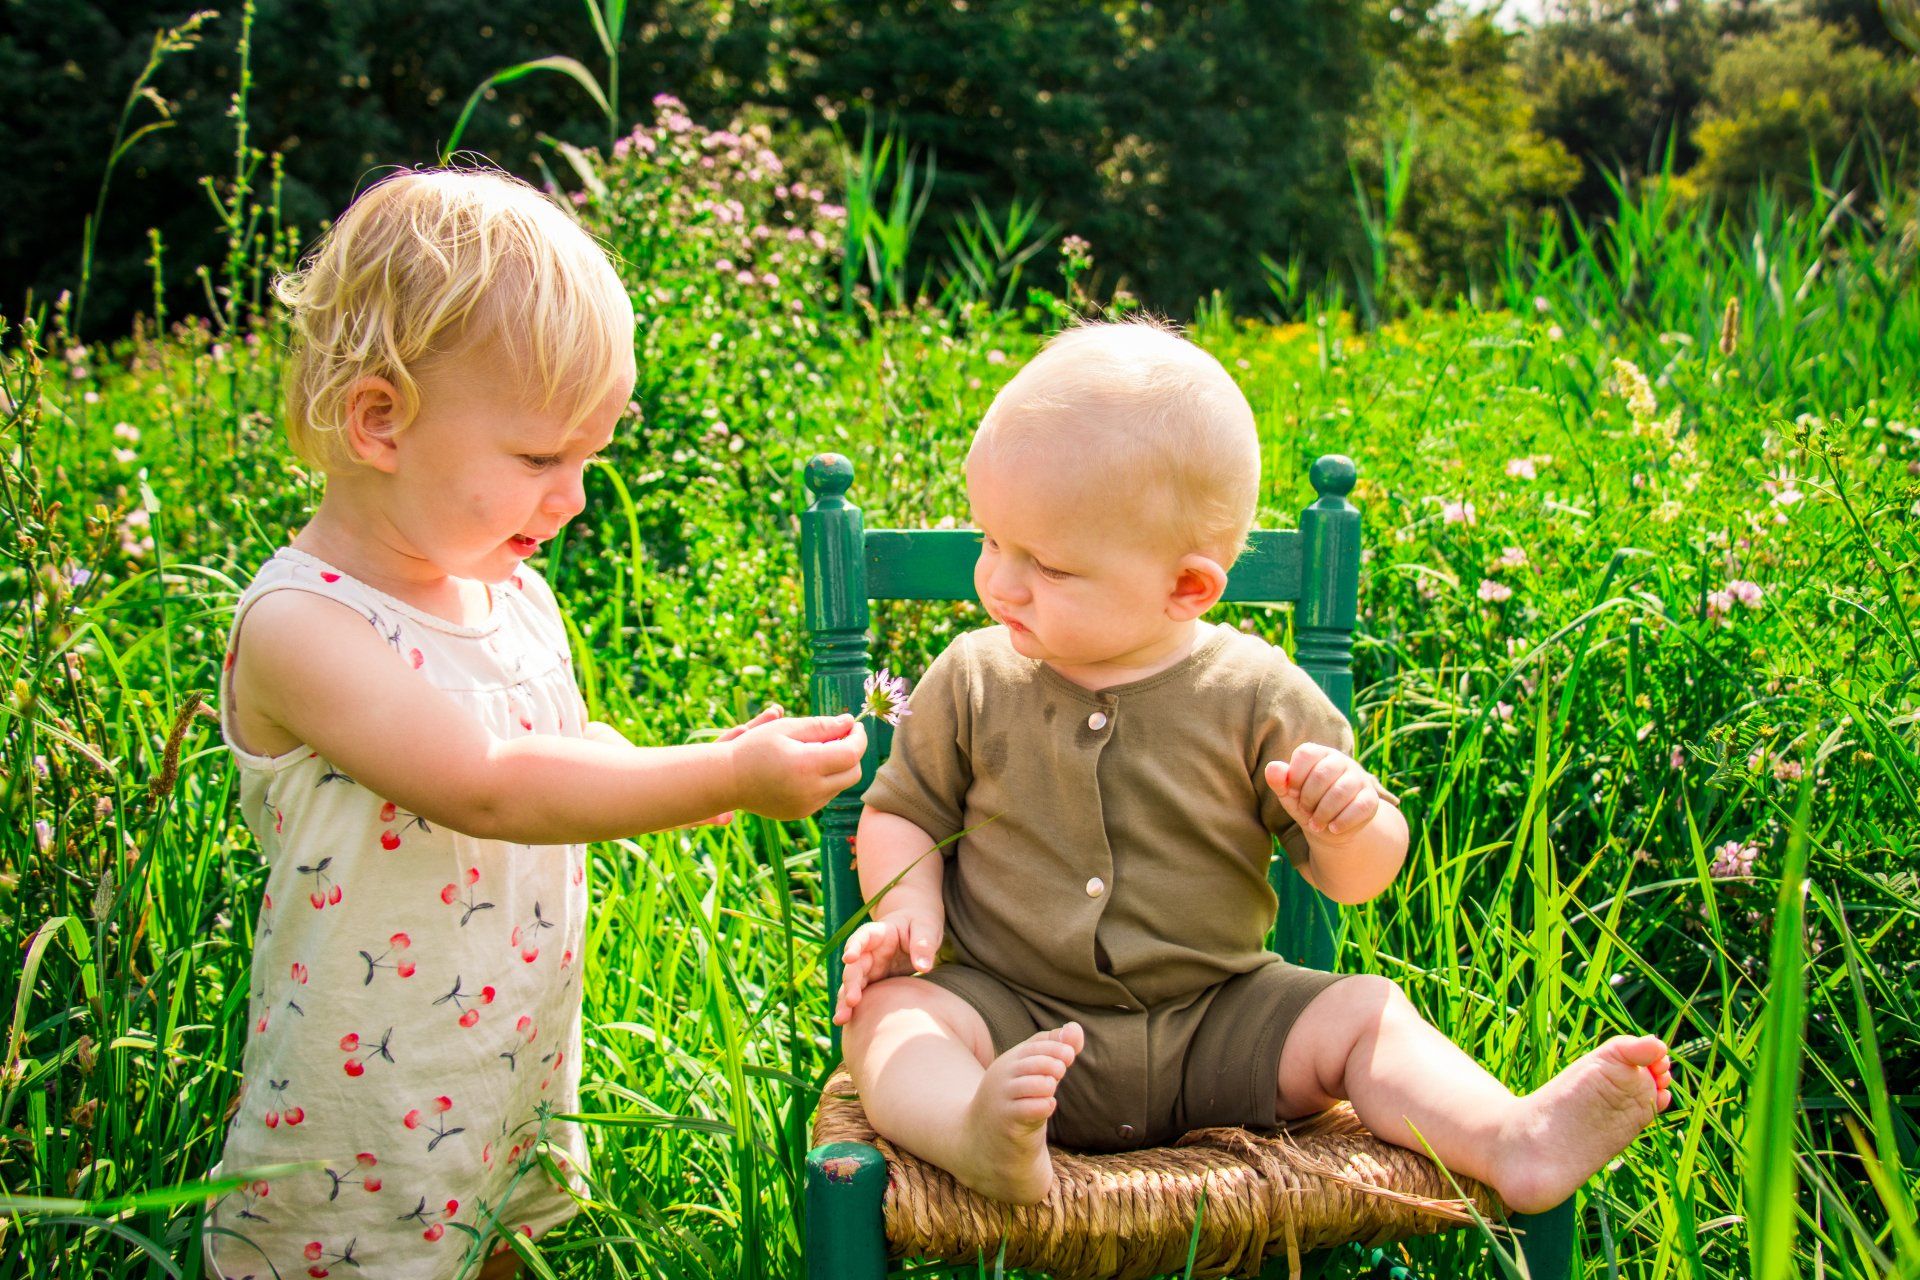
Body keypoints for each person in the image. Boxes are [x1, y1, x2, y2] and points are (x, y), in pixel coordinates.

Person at [832, 319, 1672, 1210]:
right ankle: (975, 1132)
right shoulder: (973, 674)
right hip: (1008, 1019)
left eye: (1045, 564)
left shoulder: (1256, 691)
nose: (997, 582)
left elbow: (1357, 879)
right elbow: (902, 813)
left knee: (1364, 1012)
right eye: (990, 540)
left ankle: (1511, 1139)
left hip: (1219, 1024)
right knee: (892, 1020)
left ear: (1187, 587)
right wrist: (909, 913)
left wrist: (1350, 824)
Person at [201, 166, 866, 1280]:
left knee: (503, 1239)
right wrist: (719, 775)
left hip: (502, 1053)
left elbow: (563, 754)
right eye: (538, 458)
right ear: (380, 421)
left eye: (590, 457)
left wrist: (689, 756)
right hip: (366, 1101)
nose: (575, 497)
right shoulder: (303, 625)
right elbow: (491, 781)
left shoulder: (509, 594)